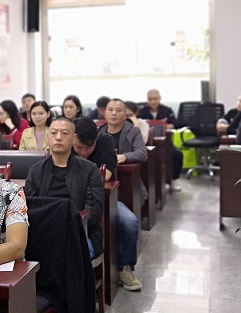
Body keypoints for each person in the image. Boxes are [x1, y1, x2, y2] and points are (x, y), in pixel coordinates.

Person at [72, 117, 142, 291]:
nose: (83, 152)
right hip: (74, 200)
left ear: (96, 140)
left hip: (106, 198)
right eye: (79, 147)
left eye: (88, 148)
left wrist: (78, 178)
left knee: (130, 222)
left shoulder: (105, 140)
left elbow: (107, 175)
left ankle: (125, 268)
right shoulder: (67, 143)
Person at [24, 117, 103, 259]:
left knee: (66, 254)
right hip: (44, 233)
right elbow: (31, 207)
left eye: (65, 133)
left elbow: (94, 210)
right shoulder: (36, 170)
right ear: (48, 137)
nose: (58, 137)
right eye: (54, 133)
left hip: (81, 233)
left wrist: (66, 226)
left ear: (74, 138)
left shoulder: (89, 169)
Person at [100, 98, 148, 165]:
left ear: (125, 116)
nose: (114, 113)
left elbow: (142, 153)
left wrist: (125, 157)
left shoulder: (133, 132)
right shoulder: (99, 132)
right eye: (110, 109)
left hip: (124, 169)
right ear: (105, 113)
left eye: (118, 110)